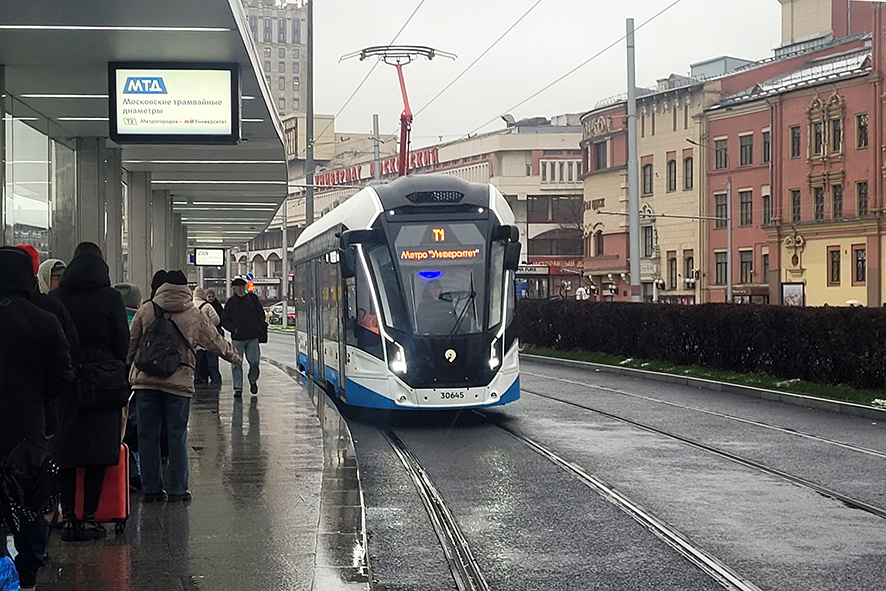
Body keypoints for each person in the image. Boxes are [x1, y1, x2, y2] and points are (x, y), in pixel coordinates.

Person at [128, 270, 241, 503]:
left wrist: (129, 368)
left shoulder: (147, 309)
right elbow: (215, 342)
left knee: (147, 435)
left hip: (146, 382)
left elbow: (132, 343)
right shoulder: (192, 313)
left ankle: (152, 489)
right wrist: (234, 358)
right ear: (184, 289)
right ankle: (178, 489)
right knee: (177, 435)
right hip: (178, 384)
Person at [0, 247, 75, 590]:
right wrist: (38, 396)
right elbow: (63, 376)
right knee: (30, 504)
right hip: (28, 429)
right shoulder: (44, 320)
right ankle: (27, 567)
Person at [50, 241, 130, 542]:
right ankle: (90, 518)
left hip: (67, 380)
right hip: (102, 380)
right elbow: (122, 341)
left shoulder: (58, 297)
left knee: (66, 451)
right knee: (98, 450)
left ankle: (68, 519)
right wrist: (112, 364)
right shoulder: (111, 297)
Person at [221, 277, 266, 399]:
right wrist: (234, 329)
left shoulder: (252, 299)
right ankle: (238, 388)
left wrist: (259, 327)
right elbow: (224, 320)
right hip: (238, 338)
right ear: (234, 289)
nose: (241, 290)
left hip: (252, 337)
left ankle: (252, 380)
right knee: (236, 363)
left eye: (242, 287)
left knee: (254, 361)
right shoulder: (231, 303)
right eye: (238, 288)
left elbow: (260, 315)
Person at [192, 286, 221, 386]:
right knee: (211, 359)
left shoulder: (189, 306)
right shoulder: (207, 306)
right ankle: (215, 378)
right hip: (208, 338)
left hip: (195, 338)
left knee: (197, 360)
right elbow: (216, 320)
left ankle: (198, 378)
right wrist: (208, 326)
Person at [205, 290, 225, 386]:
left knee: (213, 355)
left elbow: (221, 319)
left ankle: (214, 375)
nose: (211, 298)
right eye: (209, 296)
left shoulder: (216, 306)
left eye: (212, 296)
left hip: (215, 333)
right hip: (210, 334)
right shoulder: (206, 306)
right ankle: (213, 375)